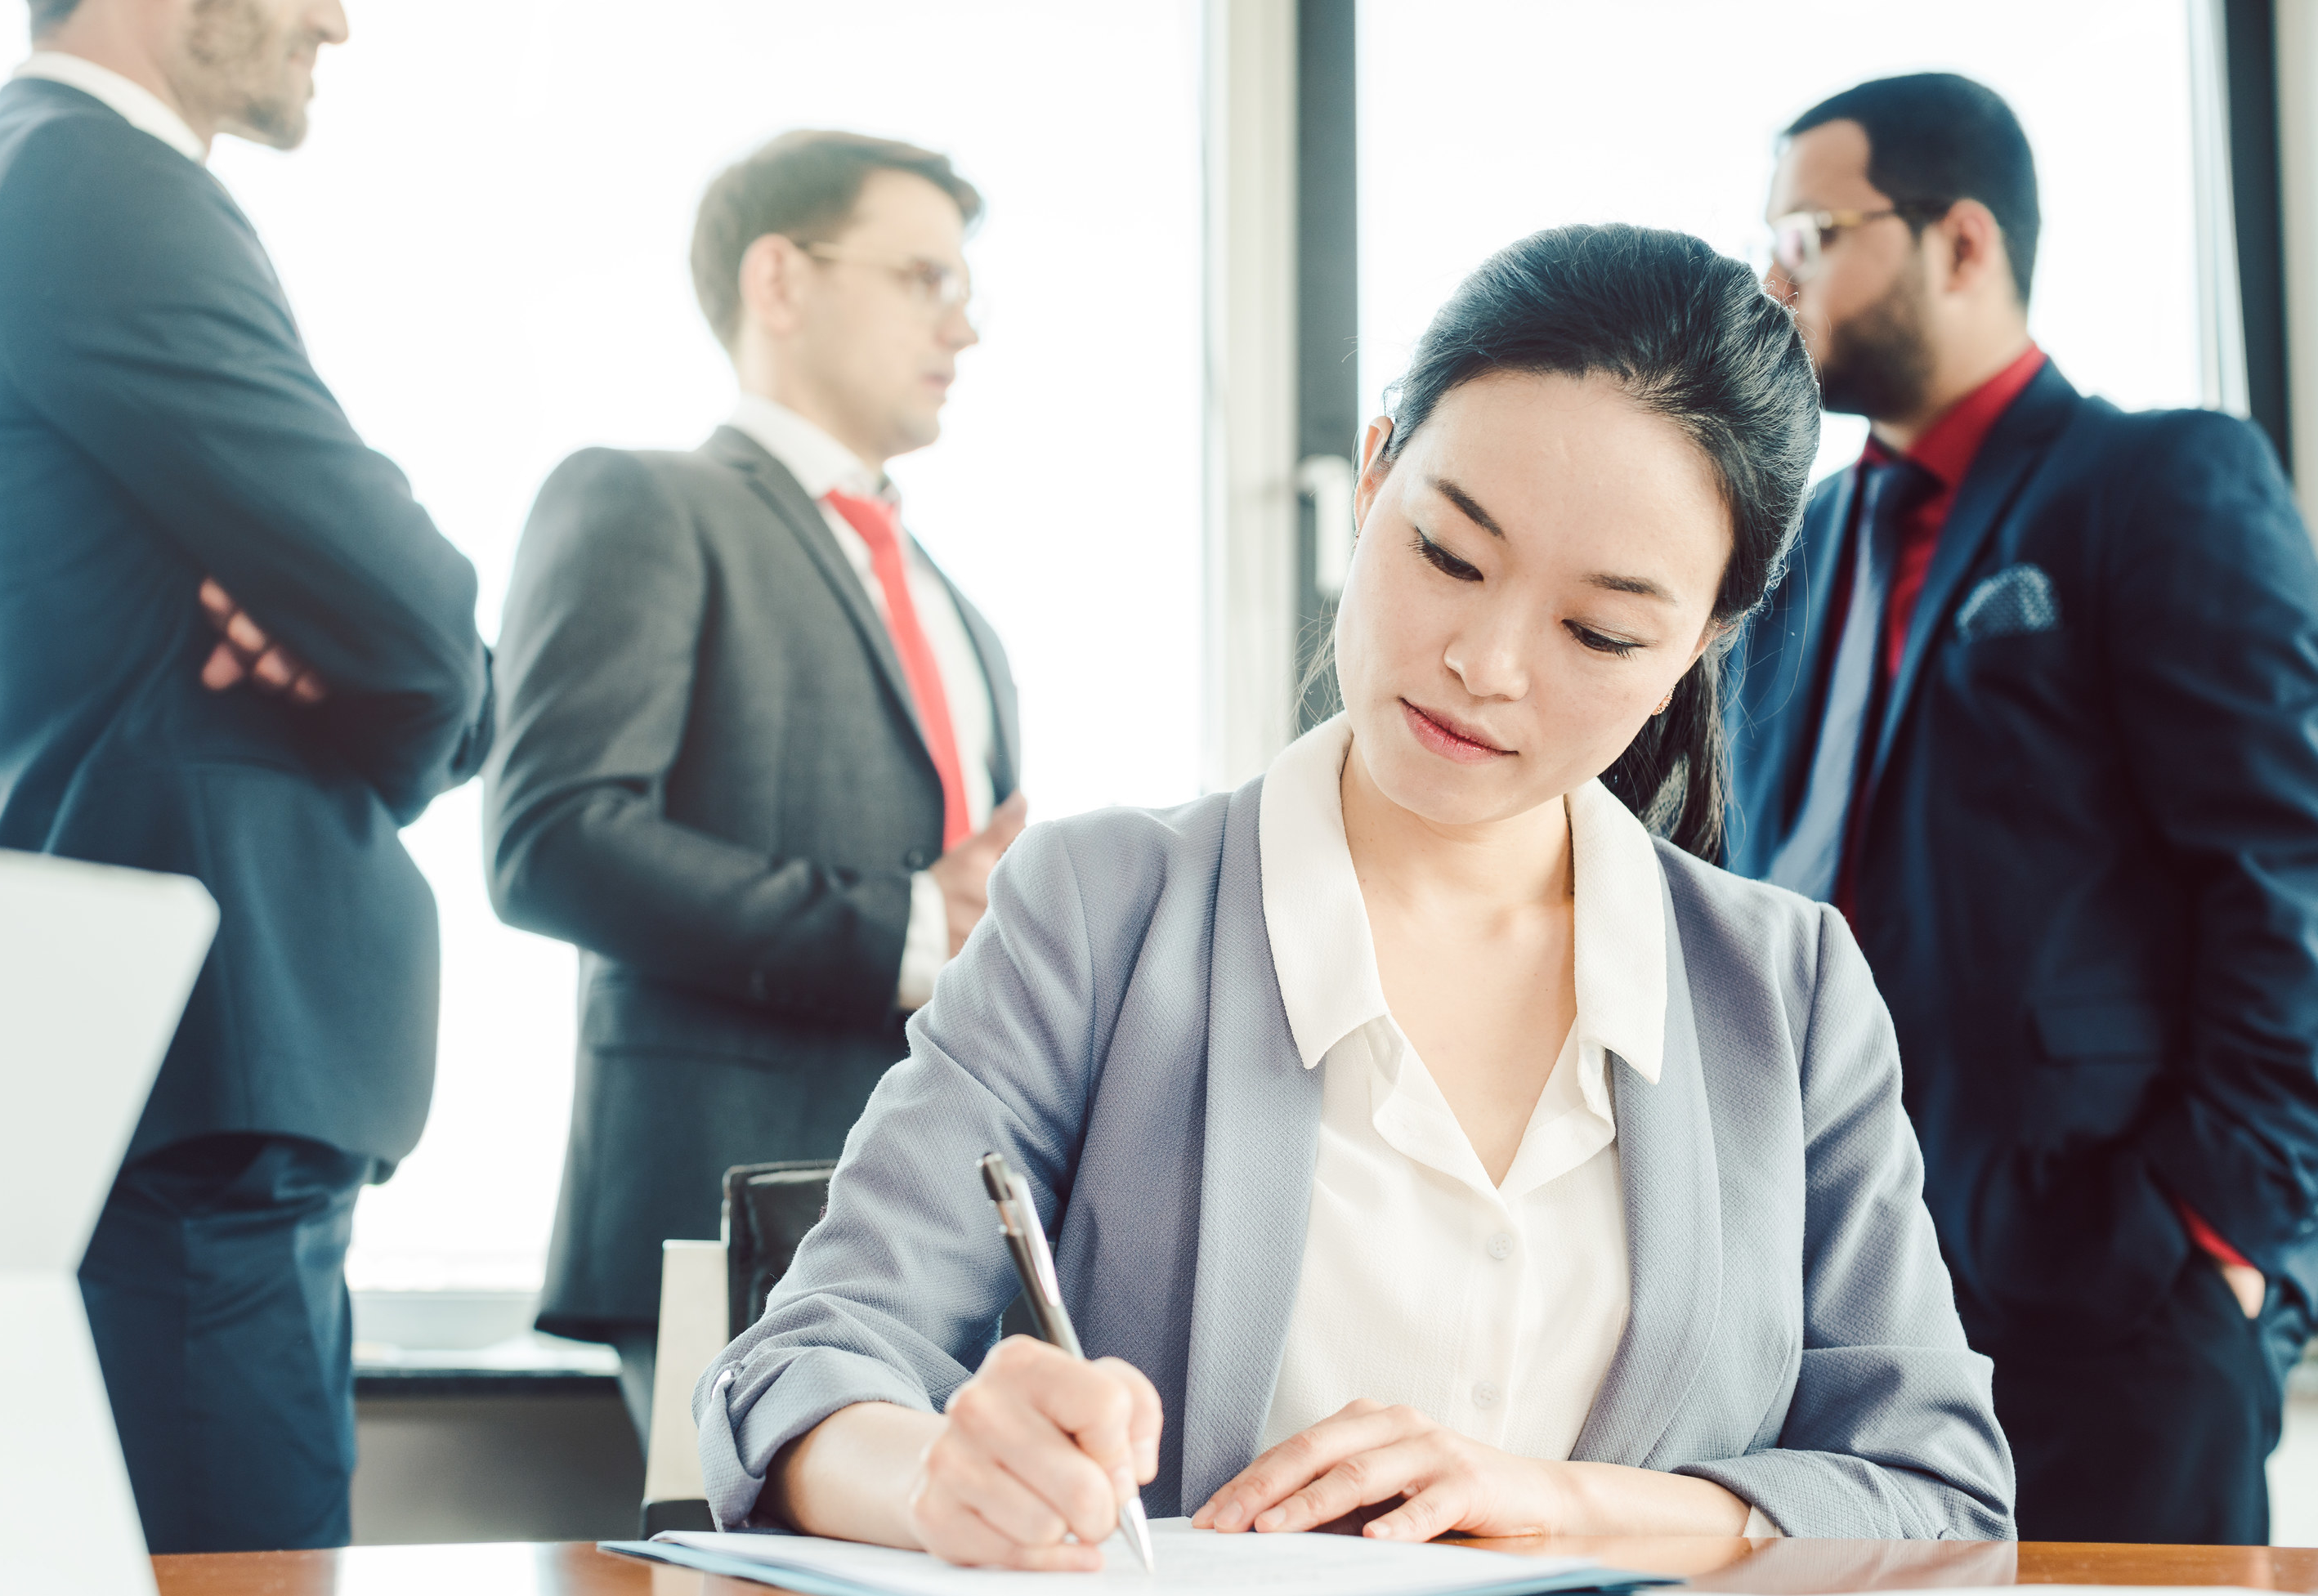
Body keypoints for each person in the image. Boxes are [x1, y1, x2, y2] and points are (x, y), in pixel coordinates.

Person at [691, 226, 2016, 1566]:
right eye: (1448, 552)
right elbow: (800, 1370)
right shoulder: (1100, 910)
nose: (1483, 663)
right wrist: (936, 1472)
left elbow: (1940, 1490)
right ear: (1378, 470)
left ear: (1698, 647)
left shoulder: (1787, 989)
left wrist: (1555, 1501)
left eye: (1599, 632)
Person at [0, 0, 492, 1554]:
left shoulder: (24, 189)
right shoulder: (95, 186)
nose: (338, 23)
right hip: (209, 1056)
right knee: (250, 1568)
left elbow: (403, 635)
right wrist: (390, 666)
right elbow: (420, 618)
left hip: (180, 1056)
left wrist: (386, 654)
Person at [1727, 73, 2318, 1544]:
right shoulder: (1791, 551)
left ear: (1964, 243)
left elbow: (2289, 867)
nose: (1773, 274)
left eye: (1808, 232)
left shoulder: (2156, 480)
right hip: (1814, 1303)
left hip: (2104, 1286)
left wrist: (2215, 1234)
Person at [484, 129, 1023, 1442]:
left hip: (929, 1240)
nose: (968, 324)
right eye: (922, 278)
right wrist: (907, 927)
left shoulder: (958, 607)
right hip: (716, 1209)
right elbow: (552, 838)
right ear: (779, 279)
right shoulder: (639, 502)